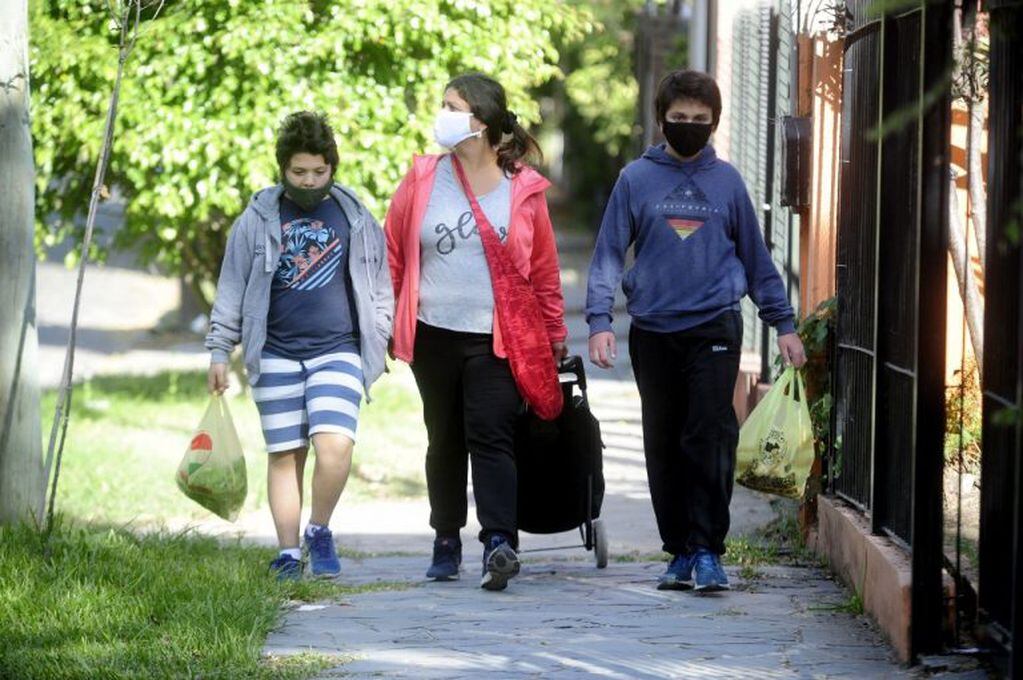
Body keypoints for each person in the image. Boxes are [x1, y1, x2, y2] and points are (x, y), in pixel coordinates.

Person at [585, 70, 807, 593]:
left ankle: (708, 550)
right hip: (653, 330)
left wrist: (783, 324)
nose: (688, 127)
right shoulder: (635, 180)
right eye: (679, 119)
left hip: (714, 324)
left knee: (707, 436)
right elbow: (609, 253)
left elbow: (756, 258)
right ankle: (679, 551)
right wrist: (599, 322)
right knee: (663, 441)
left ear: (714, 124)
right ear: (662, 120)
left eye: (699, 120)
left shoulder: (727, 182)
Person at [385, 73, 567, 591]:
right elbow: (394, 253)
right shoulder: (422, 178)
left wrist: (553, 334)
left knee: (491, 433)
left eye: (451, 106)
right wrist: (386, 325)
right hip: (432, 333)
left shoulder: (523, 189)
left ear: (481, 122)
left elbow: (545, 271)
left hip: (498, 337)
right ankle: (446, 538)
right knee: (444, 437)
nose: (440, 113)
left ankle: (498, 542)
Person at [205, 111, 393, 581]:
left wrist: (382, 331)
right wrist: (218, 350)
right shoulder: (257, 219)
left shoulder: (354, 215)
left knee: (335, 446)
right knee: (285, 453)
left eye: (319, 171)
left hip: (338, 348)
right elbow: (232, 286)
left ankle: (319, 529)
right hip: (275, 353)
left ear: (332, 166)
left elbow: (378, 282)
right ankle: (288, 553)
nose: (309, 181)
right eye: (299, 172)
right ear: (282, 169)